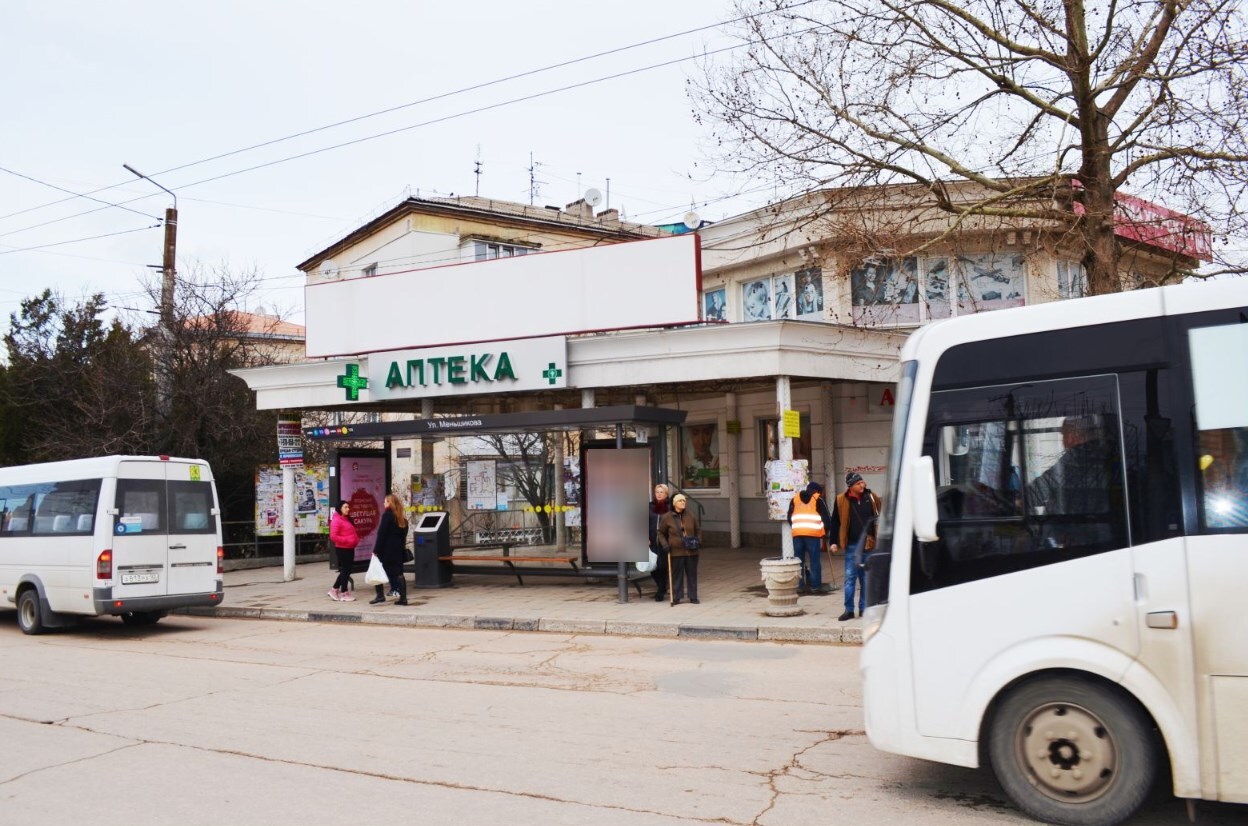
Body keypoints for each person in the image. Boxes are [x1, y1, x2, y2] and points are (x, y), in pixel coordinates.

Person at [829, 472, 880, 621]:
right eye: (858, 484)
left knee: (866, 578)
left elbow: (879, 512)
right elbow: (835, 522)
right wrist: (833, 542)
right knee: (850, 578)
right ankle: (849, 610)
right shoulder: (841, 500)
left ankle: (864, 608)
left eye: (863, 482)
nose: (862, 485)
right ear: (851, 486)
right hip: (852, 545)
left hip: (868, 545)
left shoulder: (870, 497)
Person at [787, 481, 833, 595]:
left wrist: (797, 527)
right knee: (814, 560)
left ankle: (799, 586)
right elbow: (826, 518)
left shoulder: (795, 499)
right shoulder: (818, 499)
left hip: (797, 534)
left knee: (798, 561)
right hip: (813, 534)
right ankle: (815, 586)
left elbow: (789, 516)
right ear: (817, 491)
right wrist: (825, 532)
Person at [657, 493, 702, 605]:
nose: (683, 502)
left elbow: (698, 530)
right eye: (680, 501)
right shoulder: (667, 517)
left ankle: (693, 596)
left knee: (692, 574)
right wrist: (665, 544)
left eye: (684, 500)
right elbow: (660, 532)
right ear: (674, 503)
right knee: (677, 574)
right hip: (675, 551)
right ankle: (676, 596)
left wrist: (698, 541)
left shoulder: (690, 515)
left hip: (692, 550)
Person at [369, 493, 410, 605]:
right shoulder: (401, 517)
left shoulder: (387, 515)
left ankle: (380, 595)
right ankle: (403, 598)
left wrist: (376, 550)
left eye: (385, 501)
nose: (383, 503)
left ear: (389, 503)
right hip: (398, 550)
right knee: (399, 573)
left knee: (377, 570)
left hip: (387, 551)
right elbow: (403, 536)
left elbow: (381, 534)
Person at [328, 500, 358, 602]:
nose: (348, 509)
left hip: (350, 548)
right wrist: (347, 540)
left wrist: (354, 540)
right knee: (346, 570)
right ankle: (344, 593)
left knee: (347, 570)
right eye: (345, 507)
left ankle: (334, 589)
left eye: (348, 507)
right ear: (340, 508)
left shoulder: (346, 519)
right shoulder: (336, 520)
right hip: (342, 549)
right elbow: (333, 536)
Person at [648, 483, 671, 602]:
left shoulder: (670, 507)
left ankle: (661, 590)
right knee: (653, 567)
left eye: (661, 492)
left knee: (663, 566)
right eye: (657, 492)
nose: (659, 494)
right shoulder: (650, 506)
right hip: (652, 541)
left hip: (665, 541)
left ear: (666, 494)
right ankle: (661, 587)